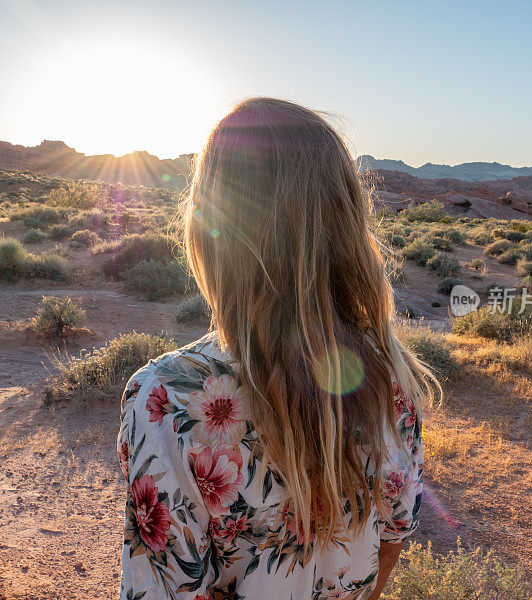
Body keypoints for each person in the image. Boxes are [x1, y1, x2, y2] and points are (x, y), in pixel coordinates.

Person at [117, 98, 436, 600]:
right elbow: (390, 545)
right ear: (345, 224)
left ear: (211, 229)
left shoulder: (165, 403)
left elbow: (165, 589)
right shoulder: (393, 379)